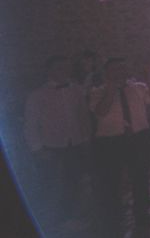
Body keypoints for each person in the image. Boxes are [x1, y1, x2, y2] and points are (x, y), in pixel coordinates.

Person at [24, 55, 92, 228]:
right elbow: (31, 124)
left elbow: (82, 115)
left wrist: (85, 138)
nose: (63, 72)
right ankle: (52, 222)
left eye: (66, 68)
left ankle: (71, 217)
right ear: (49, 71)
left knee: (74, 181)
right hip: (51, 145)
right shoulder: (37, 95)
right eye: (59, 68)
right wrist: (37, 149)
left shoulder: (76, 90)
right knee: (52, 185)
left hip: (75, 143)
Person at [89, 57, 150, 232]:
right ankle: (114, 219)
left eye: (122, 69)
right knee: (112, 181)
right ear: (107, 73)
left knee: (140, 178)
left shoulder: (138, 88)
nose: (120, 72)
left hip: (137, 137)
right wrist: (111, 89)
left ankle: (142, 216)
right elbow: (101, 112)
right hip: (111, 140)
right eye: (115, 69)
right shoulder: (97, 91)